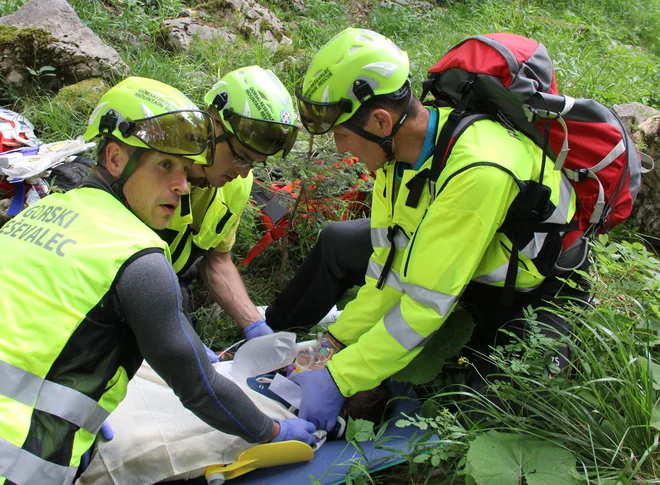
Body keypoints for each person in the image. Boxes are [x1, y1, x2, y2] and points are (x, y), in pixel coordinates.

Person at [263, 27, 591, 432]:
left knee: (481, 420)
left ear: (381, 121)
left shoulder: (478, 170)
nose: (341, 149)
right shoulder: (398, 157)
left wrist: (338, 378)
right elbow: (389, 269)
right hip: (465, 268)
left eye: (342, 135)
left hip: (534, 291)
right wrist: (335, 343)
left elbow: (423, 305)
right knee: (341, 241)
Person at [0, 77, 317, 485]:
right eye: (165, 165)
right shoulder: (137, 255)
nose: (182, 185)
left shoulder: (34, 216)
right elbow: (198, 386)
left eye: (185, 169)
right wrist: (273, 432)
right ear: (115, 159)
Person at [159, 66, 298, 346]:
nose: (244, 173)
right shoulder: (155, 168)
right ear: (212, 125)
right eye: (241, 157)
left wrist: (253, 323)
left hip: (168, 285)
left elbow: (217, 259)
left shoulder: (237, 185)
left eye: (254, 163)